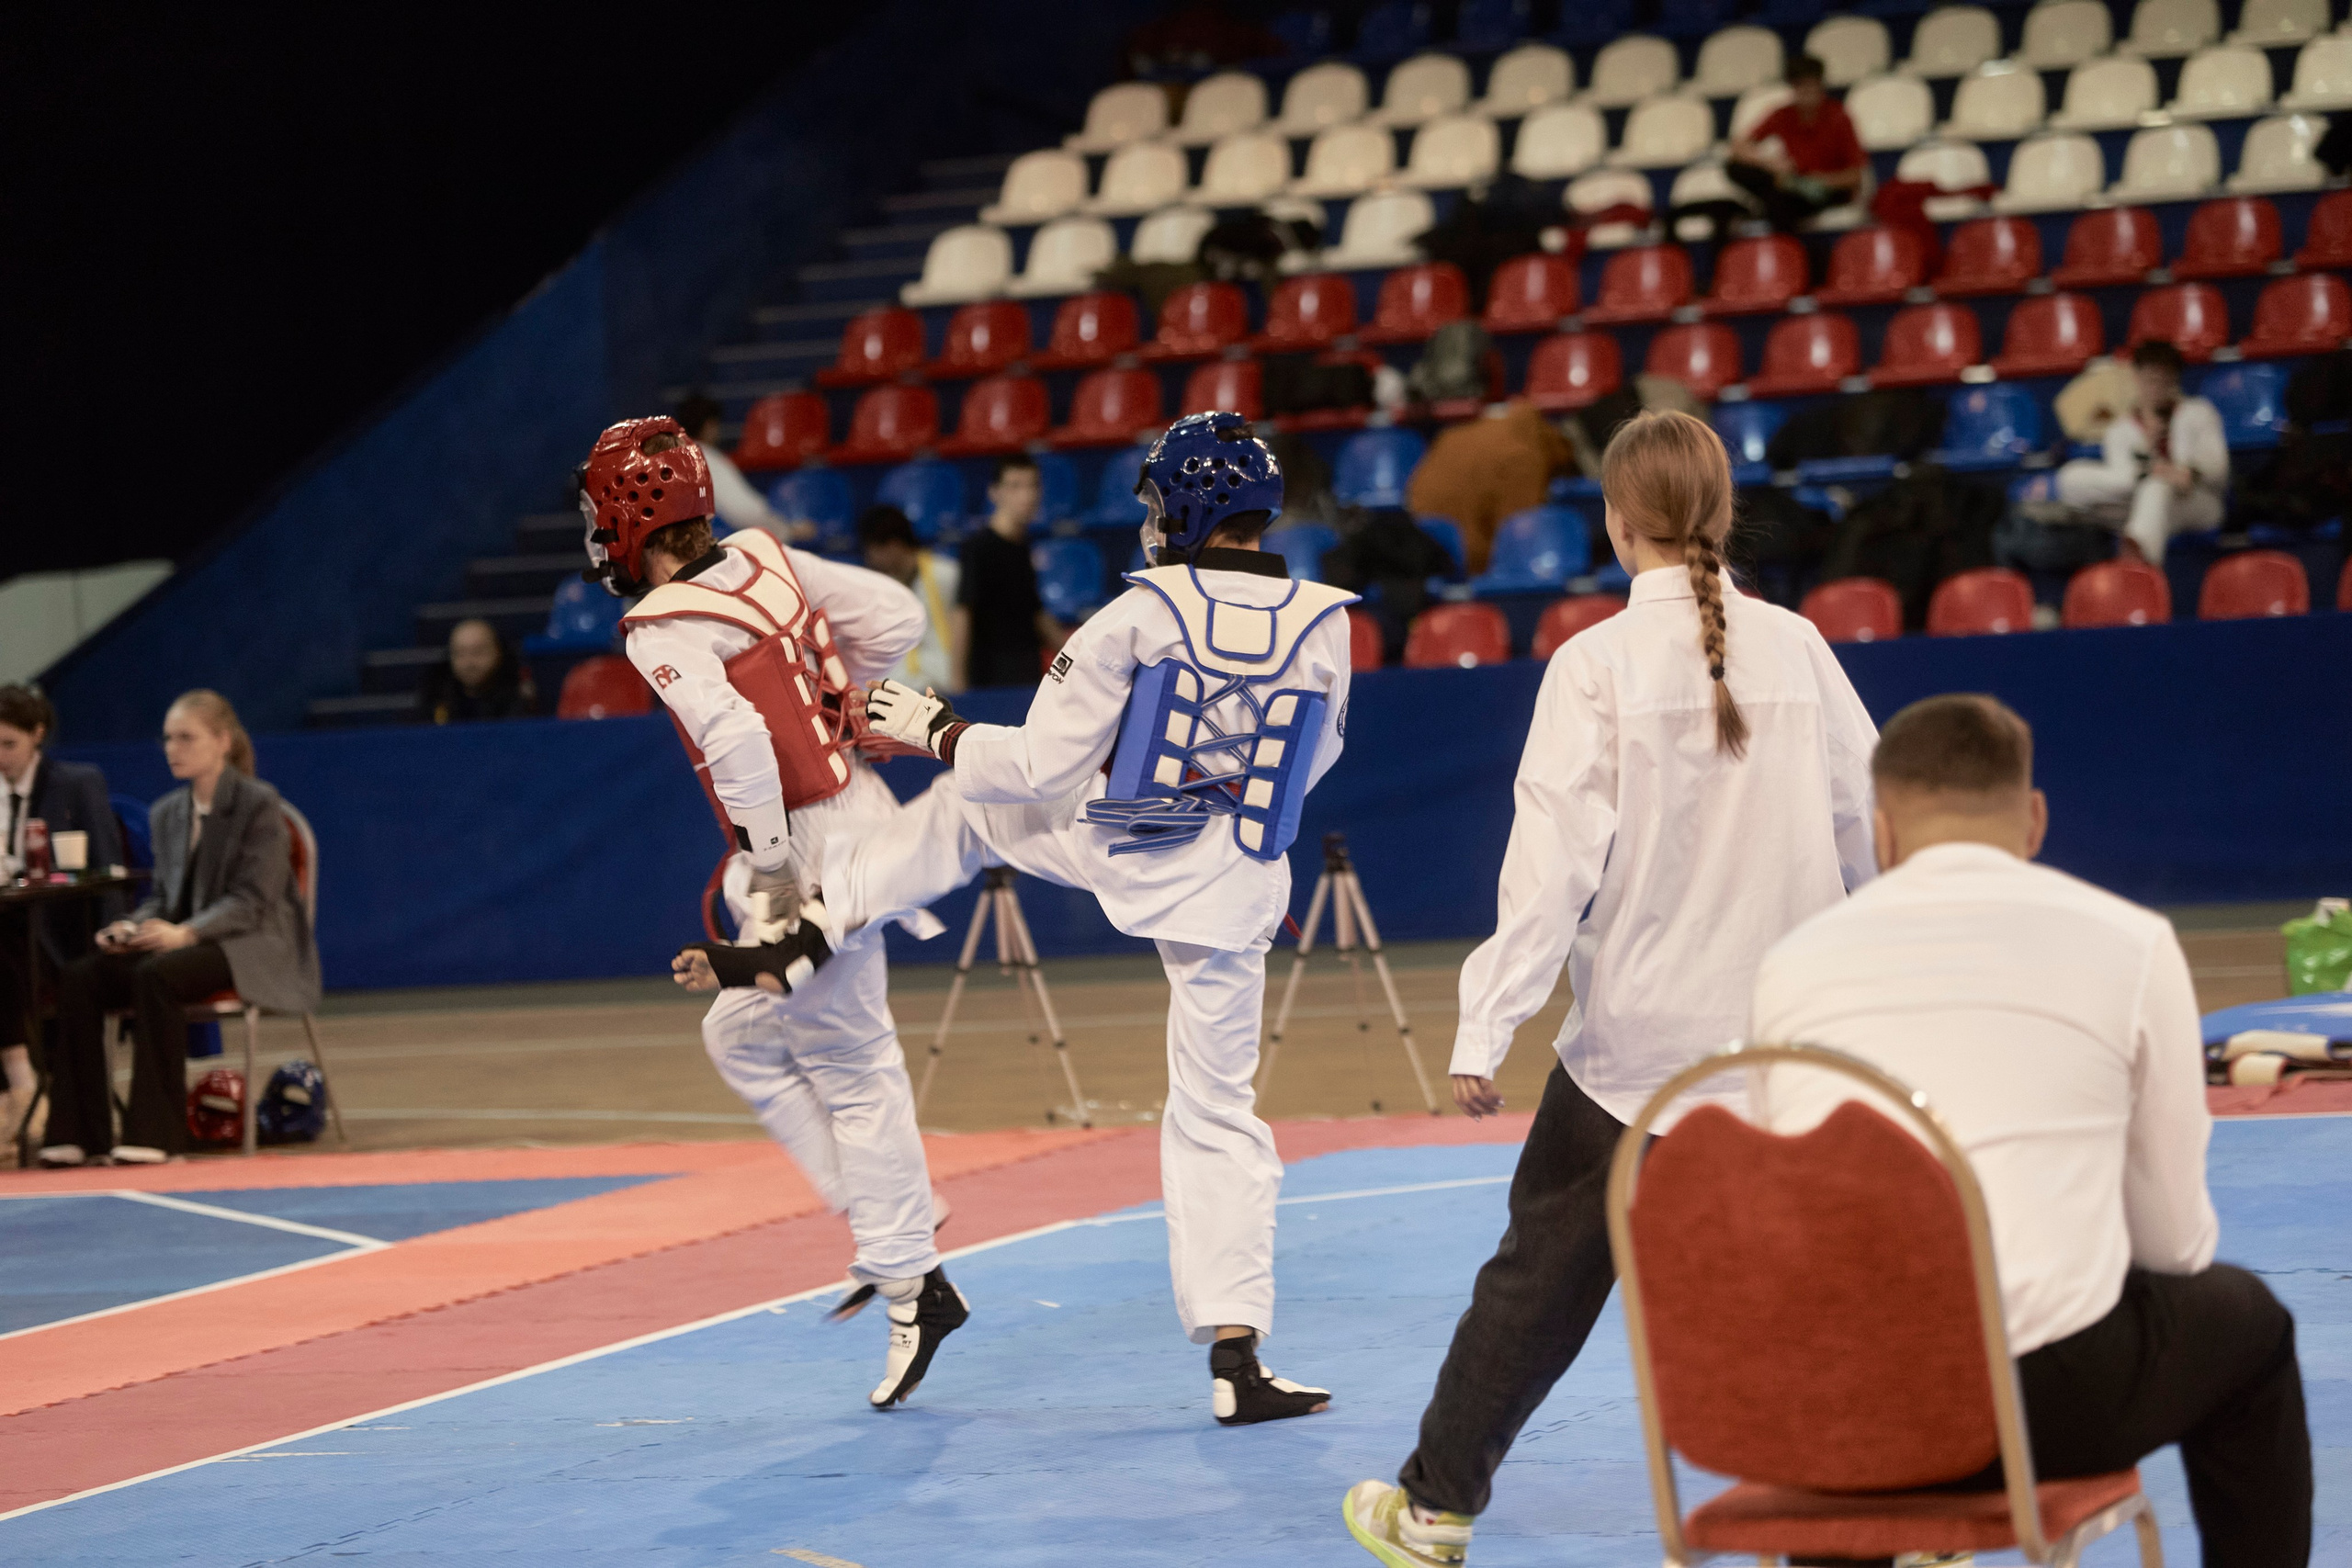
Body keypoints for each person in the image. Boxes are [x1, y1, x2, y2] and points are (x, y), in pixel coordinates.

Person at [1342, 410, 1881, 1568]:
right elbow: (1869, 833)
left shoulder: (1593, 665)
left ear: (1615, 522)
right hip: (1789, 1054)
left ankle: (1434, 1511)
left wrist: (1484, 1026)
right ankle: (1905, 1513)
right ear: (1721, 515)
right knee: (1827, 1293)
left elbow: (1548, 868)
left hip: (1635, 1059)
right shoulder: (1800, 649)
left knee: (1535, 1292)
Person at [823, 411, 1356, 1426]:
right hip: (1234, 879)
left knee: (970, 808)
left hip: (1124, 840)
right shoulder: (1327, 624)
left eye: (1159, 504)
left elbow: (1037, 766)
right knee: (1216, 1113)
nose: (1152, 522)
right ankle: (1237, 1362)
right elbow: (1313, 762)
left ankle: (823, 916)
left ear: (1187, 508)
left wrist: (929, 726)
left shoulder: (1135, 617)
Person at [1747, 694, 2310, 1568]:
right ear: (2035, 817)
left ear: (1885, 834)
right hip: (2049, 1400)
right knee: (2252, 1328)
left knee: (1853, 1347)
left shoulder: (1789, 967)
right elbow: (2173, 1242)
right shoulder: (2132, 940)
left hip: (1846, 1411)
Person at [572, 415, 966, 1410]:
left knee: (850, 1060)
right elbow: (892, 617)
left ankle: (911, 1278)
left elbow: (740, 745)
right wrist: (848, 707)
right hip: (856, 809)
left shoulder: (662, 622)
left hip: (804, 839)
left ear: (631, 520)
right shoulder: (759, 555)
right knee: (741, 1033)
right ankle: (895, 1233)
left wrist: (770, 866)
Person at [43, 691, 320, 1167]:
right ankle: (80, 1133)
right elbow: (163, 898)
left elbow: (252, 902)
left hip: (249, 943)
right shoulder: (168, 811)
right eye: (168, 739)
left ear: (221, 742)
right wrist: (129, 926)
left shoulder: (259, 804)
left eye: (186, 738)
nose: (173, 748)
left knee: (157, 974)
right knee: (81, 977)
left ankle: (157, 1134)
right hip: (185, 940)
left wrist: (185, 933)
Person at [0, 685, 126, 1144]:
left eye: (9, 745)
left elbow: (109, 865)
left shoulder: (76, 784)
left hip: (62, 934)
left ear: (38, 735)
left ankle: (18, 1087)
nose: (1, 757)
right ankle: (18, 1087)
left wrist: (115, 938)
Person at [2054, 341, 2228, 565]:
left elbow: (2218, 470)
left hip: (2195, 502)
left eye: (2163, 380)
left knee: (2155, 488)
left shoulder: (2199, 413)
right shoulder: (2120, 429)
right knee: (2070, 477)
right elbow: (2118, 483)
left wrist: (2188, 473)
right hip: (2136, 501)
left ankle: (2137, 568)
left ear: (2175, 379)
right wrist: (2149, 452)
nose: (2155, 388)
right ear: (2136, 377)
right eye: (2150, 380)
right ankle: (2141, 489)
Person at [954, 454, 1063, 689]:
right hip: (990, 681)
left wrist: (1078, 655)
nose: (1027, 495)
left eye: (1033, 485)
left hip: (1027, 675)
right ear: (994, 492)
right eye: (1015, 486)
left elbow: (1035, 613)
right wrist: (957, 683)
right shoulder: (978, 548)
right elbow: (963, 615)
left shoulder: (1023, 545)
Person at [1728, 56, 1868, 231]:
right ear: (1793, 87)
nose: (1806, 91)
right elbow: (1738, 146)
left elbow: (1855, 176)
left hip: (1828, 190)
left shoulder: (1839, 117)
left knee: (1777, 201)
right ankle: (1792, 250)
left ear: (1821, 85)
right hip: (1793, 186)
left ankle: (1795, 251)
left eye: (1811, 84)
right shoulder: (1784, 114)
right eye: (1800, 85)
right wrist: (1770, 163)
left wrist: (1821, 181)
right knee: (1736, 168)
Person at [858, 505, 961, 694]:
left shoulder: (947, 575)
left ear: (893, 545)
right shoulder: (878, 587)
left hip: (943, 682)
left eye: (873, 550)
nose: (870, 558)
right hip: (900, 683)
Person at [676, 393, 793, 539]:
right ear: (710, 426)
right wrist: (790, 530)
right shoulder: (705, 459)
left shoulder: (675, 460)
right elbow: (745, 511)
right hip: (724, 543)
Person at [414, 617, 537, 724]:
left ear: (499, 652)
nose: (469, 662)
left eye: (478, 652)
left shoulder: (520, 698)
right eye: (460, 653)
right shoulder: (434, 699)